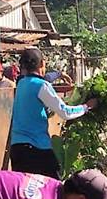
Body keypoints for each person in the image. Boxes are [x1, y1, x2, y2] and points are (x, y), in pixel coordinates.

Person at [8, 48, 96, 178]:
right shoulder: (42, 86)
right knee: (53, 189)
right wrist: (86, 107)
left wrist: (59, 74)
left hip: (17, 150)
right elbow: (65, 112)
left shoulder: (21, 84)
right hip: (37, 149)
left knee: (23, 192)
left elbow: (46, 78)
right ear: (42, 64)